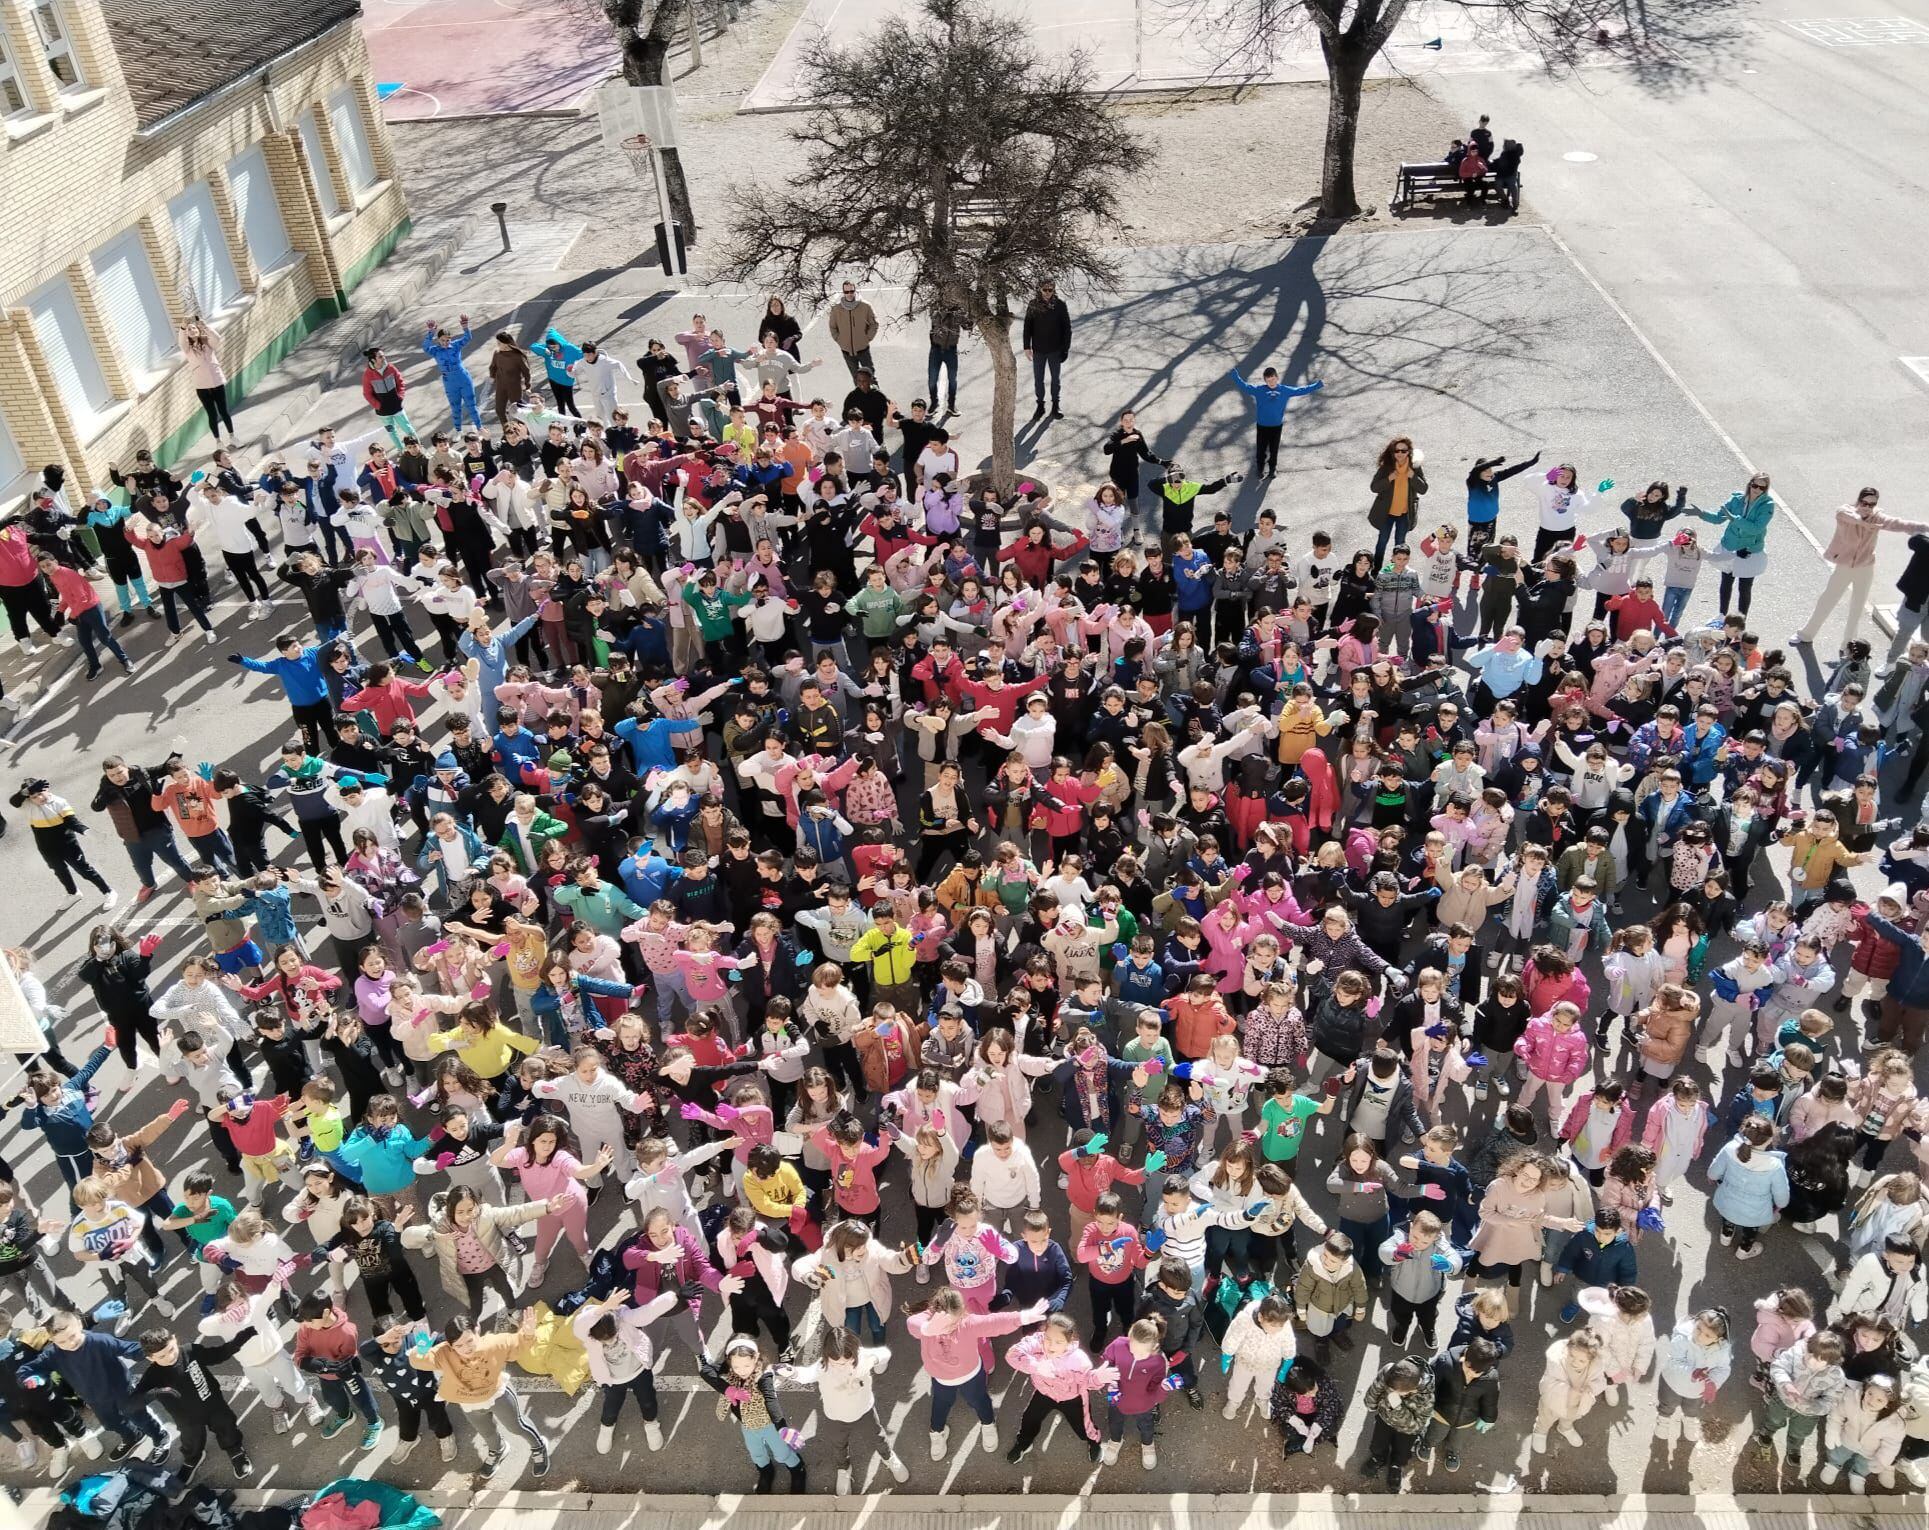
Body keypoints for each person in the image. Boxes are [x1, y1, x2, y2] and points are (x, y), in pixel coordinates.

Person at [1792, 488, 1929, 653]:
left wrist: (1925, 527)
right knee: (1826, 600)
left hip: (1865, 568)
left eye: (1872, 504)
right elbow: (1845, 515)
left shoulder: (1877, 517)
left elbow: (1899, 524)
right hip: (1844, 566)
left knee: (1857, 608)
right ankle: (1806, 634)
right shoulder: (1846, 512)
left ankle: (1848, 645)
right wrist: (1861, 521)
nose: (1868, 507)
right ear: (1859, 501)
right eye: (1864, 503)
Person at [1227, 366, 1323, 478]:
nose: (1271, 382)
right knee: (1261, 449)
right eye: (1268, 381)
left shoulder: (1284, 390)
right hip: (1262, 426)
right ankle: (1260, 469)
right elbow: (1245, 386)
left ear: (1277, 378)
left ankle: (1272, 469)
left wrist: (1317, 385)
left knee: (1274, 449)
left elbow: (1300, 390)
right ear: (1265, 381)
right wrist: (1235, 376)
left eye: (1273, 379)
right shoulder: (1259, 390)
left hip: (1276, 427)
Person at [1022, 281, 1072, 419]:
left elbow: (1067, 328)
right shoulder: (1033, 304)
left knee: (1055, 379)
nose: (1047, 292)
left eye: (1050, 290)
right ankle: (1040, 406)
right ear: (1040, 289)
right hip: (1038, 350)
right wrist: (1027, 347)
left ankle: (1055, 405)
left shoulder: (1060, 305)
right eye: (1045, 290)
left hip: (1055, 350)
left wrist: (1065, 349)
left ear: (1053, 290)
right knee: (1039, 380)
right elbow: (1027, 327)